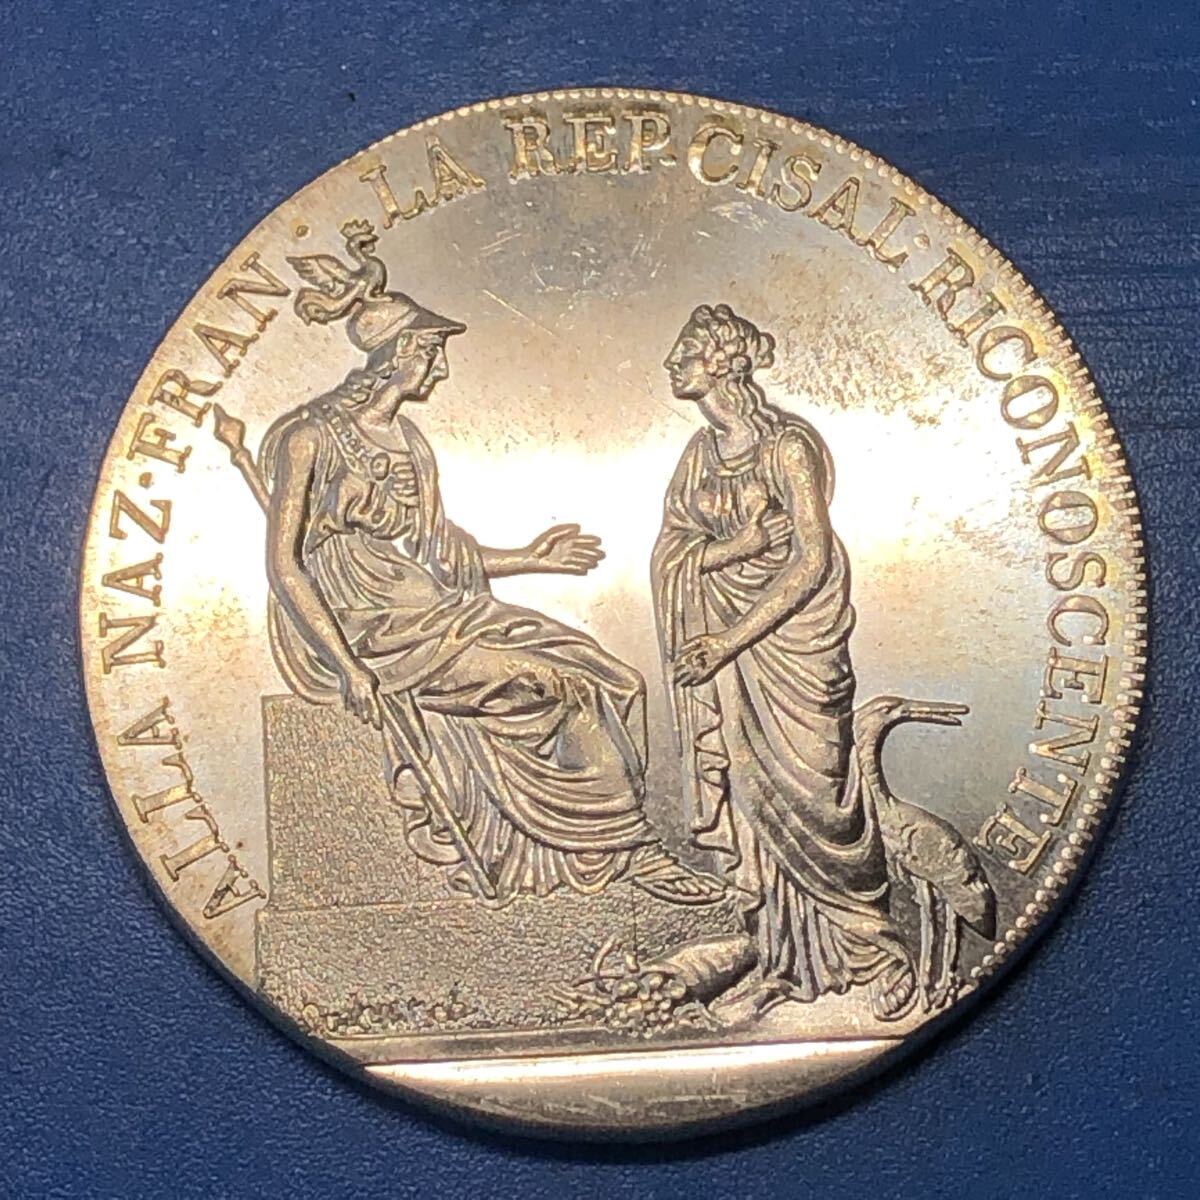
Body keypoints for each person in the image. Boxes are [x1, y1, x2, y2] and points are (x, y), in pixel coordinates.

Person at [261, 245, 716, 906]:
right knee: (556, 684)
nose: (441, 368)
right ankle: (628, 851)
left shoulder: (410, 445)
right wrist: (347, 665)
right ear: (399, 354)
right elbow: (285, 564)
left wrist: (531, 557)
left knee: (612, 676)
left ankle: (599, 839)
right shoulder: (310, 437)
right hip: (373, 630)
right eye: (433, 353)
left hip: (435, 611)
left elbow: (441, 550)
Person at [651, 303, 914, 1018]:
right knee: (750, 794)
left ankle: (875, 950)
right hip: (731, 655)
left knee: (816, 796)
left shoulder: (787, 447)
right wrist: (732, 551)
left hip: (792, 647)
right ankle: (780, 959)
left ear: (722, 365)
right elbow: (674, 551)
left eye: (685, 354)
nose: (672, 364)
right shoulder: (699, 455)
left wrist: (728, 640)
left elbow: (811, 559)